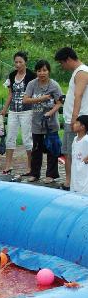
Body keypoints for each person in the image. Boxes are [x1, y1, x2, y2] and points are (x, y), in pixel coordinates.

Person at [22, 60, 64, 184]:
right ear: (36, 72)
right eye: (39, 70)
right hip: (36, 123)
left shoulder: (54, 85)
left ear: (49, 71)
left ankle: (51, 175)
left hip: (51, 124)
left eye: (44, 70)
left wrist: (50, 113)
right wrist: (42, 98)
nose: (42, 73)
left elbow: (59, 102)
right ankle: (35, 173)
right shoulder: (32, 84)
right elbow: (25, 100)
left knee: (52, 150)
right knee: (36, 150)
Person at [55, 47, 88, 191]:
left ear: (68, 59)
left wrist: (75, 119)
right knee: (69, 151)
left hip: (77, 120)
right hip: (72, 119)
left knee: (74, 152)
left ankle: (72, 183)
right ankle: (69, 181)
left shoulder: (81, 72)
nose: (62, 67)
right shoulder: (78, 72)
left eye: (62, 63)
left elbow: (78, 95)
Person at [0, 52, 36, 176]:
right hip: (13, 110)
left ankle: (30, 167)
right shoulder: (11, 75)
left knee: (27, 139)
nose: (18, 64)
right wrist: (4, 109)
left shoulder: (31, 75)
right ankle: (8, 165)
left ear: (25, 62)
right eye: (16, 62)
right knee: (10, 137)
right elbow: (10, 94)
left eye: (20, 62)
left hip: (27, 110)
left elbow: (34, 93)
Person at [71, 115, 88, 194]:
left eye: (76, 123)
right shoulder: (75, 139)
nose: (74, 124)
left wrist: (85, 160)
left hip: (84, 170)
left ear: (83, 127)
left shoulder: (86, 139)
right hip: (75, 170)